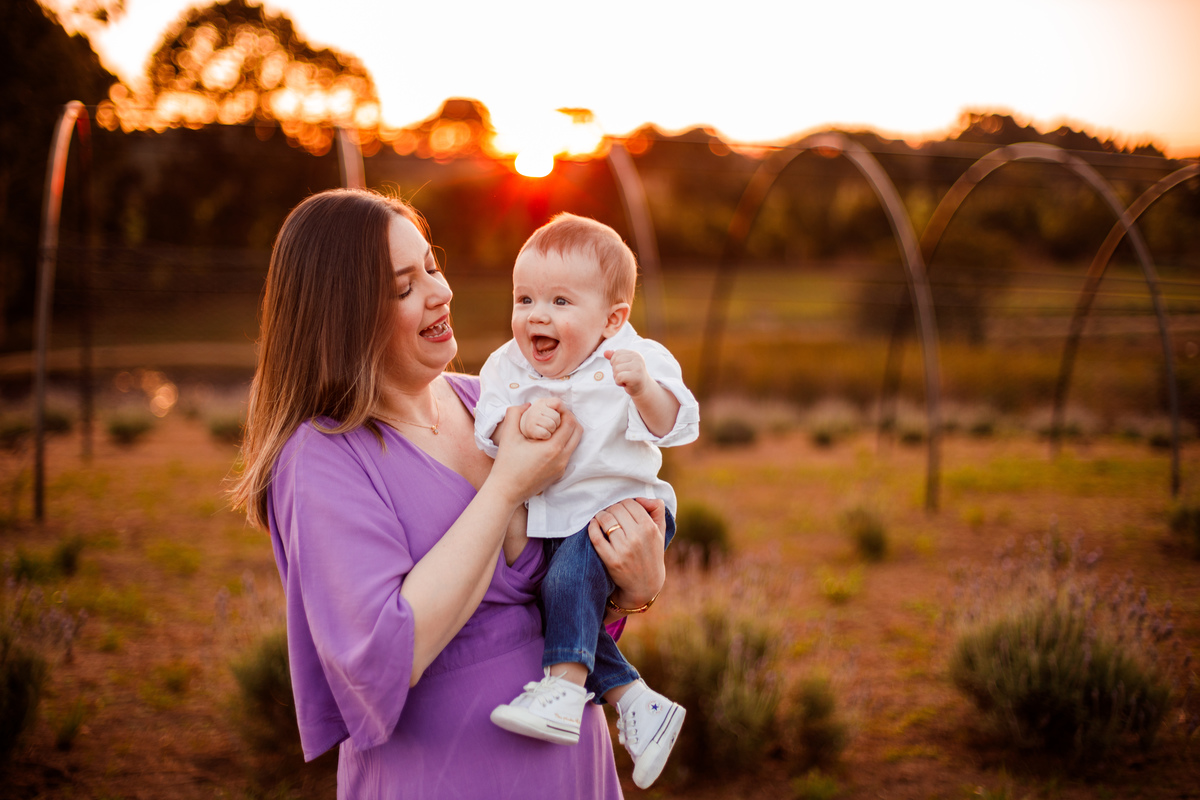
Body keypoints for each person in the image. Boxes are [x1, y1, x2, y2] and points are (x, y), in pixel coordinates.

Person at [231, 189, 670, 799]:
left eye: (432, 267)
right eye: (405, 286)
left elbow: (560, 599)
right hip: (443, 777)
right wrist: (507, 485)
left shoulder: (488, 404)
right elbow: (382, 653)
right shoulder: (322, 456)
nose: (441, 294)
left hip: (576, 775)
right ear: (346, 315)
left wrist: (632, 592)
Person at [474, 214, 699, 789]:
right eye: (524, 298)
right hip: (558, 520)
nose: (537, 315)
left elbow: (677, 425)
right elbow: (488, 426)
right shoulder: (507, 365)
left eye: (560, 301)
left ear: (612, 319)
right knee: (556, 597)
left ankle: (564, 692)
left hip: (625, 513)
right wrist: (518, 422)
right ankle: (636, 702)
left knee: (566, 580)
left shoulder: (636, 357)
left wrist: (643, 388)